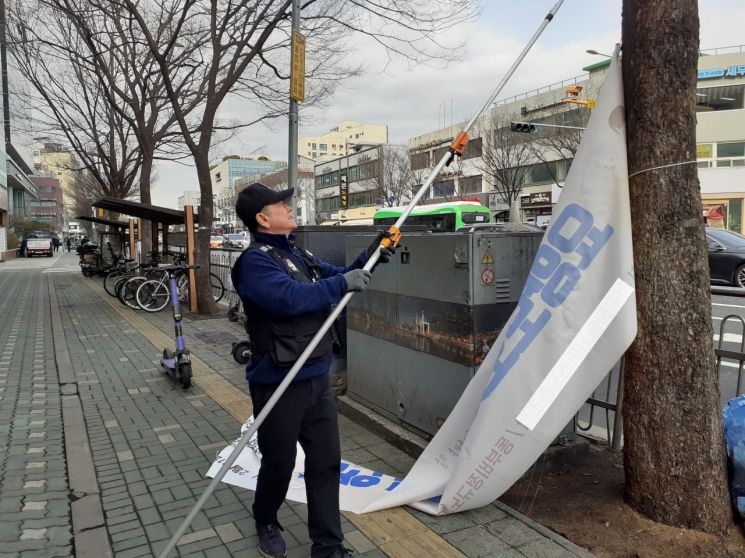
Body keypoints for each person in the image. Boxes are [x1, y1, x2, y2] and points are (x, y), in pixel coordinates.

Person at [232, 183, 393, 558]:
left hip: (316, 377)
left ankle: (329, 547)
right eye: (280, 204)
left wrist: (372, 255)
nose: (289, 207)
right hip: (279, 381)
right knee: (280, 462)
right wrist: (341, 283)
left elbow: (339, 277)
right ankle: (266, 518)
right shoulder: (255, 262)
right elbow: (288, 299)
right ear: (262, 218)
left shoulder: (298, 253)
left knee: (325, 463)